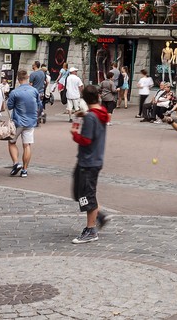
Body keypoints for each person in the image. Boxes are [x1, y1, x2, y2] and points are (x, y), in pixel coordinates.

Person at [71, 84, 112, 244]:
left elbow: (86, 140)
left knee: (86, 195)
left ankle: (90, 229)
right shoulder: (99, 113)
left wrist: (75, 134)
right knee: (80, 191)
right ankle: (99, 215)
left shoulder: (91, 117)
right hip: (93, 159)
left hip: (88, 160)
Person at [6, 69, 40, 178]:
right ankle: (25, 170)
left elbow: (9, 106)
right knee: (27, 145)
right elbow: (39, 105)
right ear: (27, 77)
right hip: (31, 121)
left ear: (18, 79)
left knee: (12, 142)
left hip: (18, 121)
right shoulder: (34, 91)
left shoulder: (15, 92)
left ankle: (16, 163)